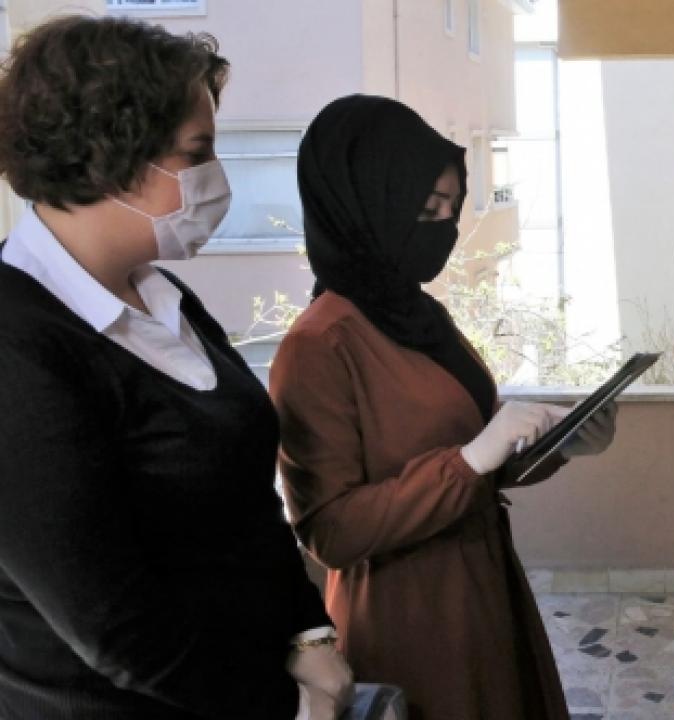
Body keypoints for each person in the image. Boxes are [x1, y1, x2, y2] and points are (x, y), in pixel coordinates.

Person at [0, 16, 353, 719]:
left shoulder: (163, 296)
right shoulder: (18, 345)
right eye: (198, 153)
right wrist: (287, 706)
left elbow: (245, 495)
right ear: (107, 156)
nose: (215, 179)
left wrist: (308, 630)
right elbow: (110, 624)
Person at [270, 94, 618, 720]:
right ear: (369, 200)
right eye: (426, 207)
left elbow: (475, 453)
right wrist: (469, 459)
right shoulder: (319, 345)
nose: (443, 229)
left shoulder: (420, 315)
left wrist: (555, 442)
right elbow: (331, 531)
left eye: (450, 210)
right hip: (410, 617)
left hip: (484, 583)